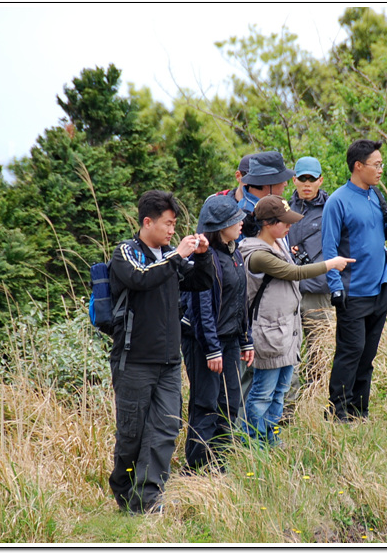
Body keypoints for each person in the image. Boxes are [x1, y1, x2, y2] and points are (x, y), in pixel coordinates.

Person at [108, 190, 214, 514]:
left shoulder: (170, 257)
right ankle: (124, 492)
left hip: (169, 362)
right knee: (132, 434)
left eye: (174, 225)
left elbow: (202, 281)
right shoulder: (126, 253)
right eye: (168, 224)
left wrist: (205, 255)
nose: (172, 231)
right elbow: (140, 280)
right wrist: (177, 257)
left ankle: (148, 499)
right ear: (147, 222)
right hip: (134, 360)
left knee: (166, 428)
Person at [239, 195, 355, 445]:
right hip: (269, 332)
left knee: (280, 391)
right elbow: (294, 273)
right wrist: (330, 264)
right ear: (268, 223)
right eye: (284, 222)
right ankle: (254, 443)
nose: (289, 227)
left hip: (285, 331)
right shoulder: (256, 253)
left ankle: (271, 438)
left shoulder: (279, 244)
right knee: (262, 393)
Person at [321, 139, 387, 423]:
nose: (380, 170)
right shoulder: (338, 201)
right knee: (350, 352)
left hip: (380, 287)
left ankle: (359, 411)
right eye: (376, 165)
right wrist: (335, 287)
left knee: (367, 355)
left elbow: (373, 237)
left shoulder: (377, 196)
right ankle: (338, 412)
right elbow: (329, 249)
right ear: (358, 166)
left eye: (381, 164)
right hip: (352, 292)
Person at [180, 195, 254, 472]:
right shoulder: (206, 257)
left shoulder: (233, 252)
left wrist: (246, 339)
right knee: (206, 404)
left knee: (230, 402)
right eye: (235, 219)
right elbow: (201, 308)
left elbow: (240, 300)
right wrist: (212, 348)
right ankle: (197, 469)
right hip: (204, 343)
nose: (241, 222)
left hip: (231, 340)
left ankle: (219, 464)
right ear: (220, 226)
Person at [233, 150, 296, 424]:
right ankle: (244, 442)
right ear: (268, 184)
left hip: (274, 319)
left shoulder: (276, 214)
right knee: (250, 386)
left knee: (270, 388)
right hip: (248, 320)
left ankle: (264, 438)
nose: (286, 185)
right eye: (281, 181)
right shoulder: (236, 215)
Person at [284, 156, 332, 412]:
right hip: (287, 290)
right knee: (288, 350)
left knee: (318, 352)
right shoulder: (282, 207)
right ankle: (288, 408)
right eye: (302, 178)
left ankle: (314, 405)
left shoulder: (333, 208)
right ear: (294, 180)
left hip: (318, 292)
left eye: (312, 179)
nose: (307, 183)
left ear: (320, 180)